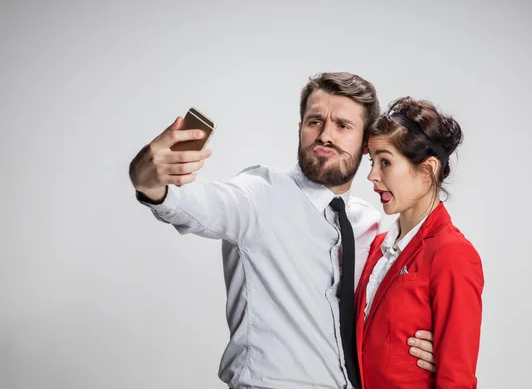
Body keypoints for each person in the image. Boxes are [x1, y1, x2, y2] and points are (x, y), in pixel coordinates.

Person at [129, 72, 436, 389]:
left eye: (342, 126)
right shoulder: (258, 195)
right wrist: (148, 179)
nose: (325, 136)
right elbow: (195, 203)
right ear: (300, 130)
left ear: (365, 146)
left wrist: (422, 347)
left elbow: (382, 314)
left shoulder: (370, 225)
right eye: (315, 122)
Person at [355, 96, 484, 388]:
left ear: (427, 170)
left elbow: (457, 380)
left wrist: (445, 355)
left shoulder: (453, 254)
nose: (372, 176)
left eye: (385, 162)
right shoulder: (375, 248)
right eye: (372, 162)